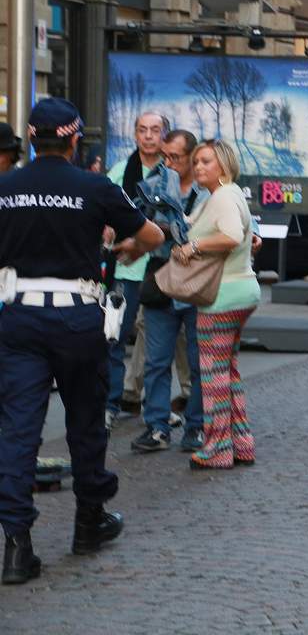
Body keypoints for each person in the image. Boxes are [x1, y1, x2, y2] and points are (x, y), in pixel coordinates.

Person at [0, 97, 164, 585]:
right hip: (77, 317)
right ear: (73, 142)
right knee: (86, 422)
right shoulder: (94, 187)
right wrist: (122, 243)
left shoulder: (5, 187)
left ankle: (15, 546)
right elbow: (152, 235)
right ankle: (89, 521)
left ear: (31, 139)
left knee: (17, 429)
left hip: (18, 315)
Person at [172, 140, 260, 469]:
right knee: (228, 370)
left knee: (212, 374)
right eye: (196, 161)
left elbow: (233, 235)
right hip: (241, 291)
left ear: (223, 165)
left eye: (206, 161)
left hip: (223, 294)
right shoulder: (226, 194)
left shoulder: (222, 196)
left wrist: (194, 246)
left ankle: (218, 448)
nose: (198, 167)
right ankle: (241, 443)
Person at [131, 130, 206, 454]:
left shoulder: (208, 190)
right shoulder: (154, 184)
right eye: (166, 156)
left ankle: (196, 427)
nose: (169, 163)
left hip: (197, 283)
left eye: (175, 157)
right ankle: (157, 427)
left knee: (198, 361)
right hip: (161, 280)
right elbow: (138, 221)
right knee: (156, 361)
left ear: (191, 157)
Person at [105, 111, 168, 429]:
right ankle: (111, 403)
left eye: (155, 130)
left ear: (163, 135)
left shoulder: (170, 173)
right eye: (142, 130)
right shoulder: (120, 170)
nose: (148, 136)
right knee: (114, 336)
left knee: (163, 345)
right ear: (134, 135)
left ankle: (160, 407)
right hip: (126, 270)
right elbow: (101, 209)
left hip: (162, 268)